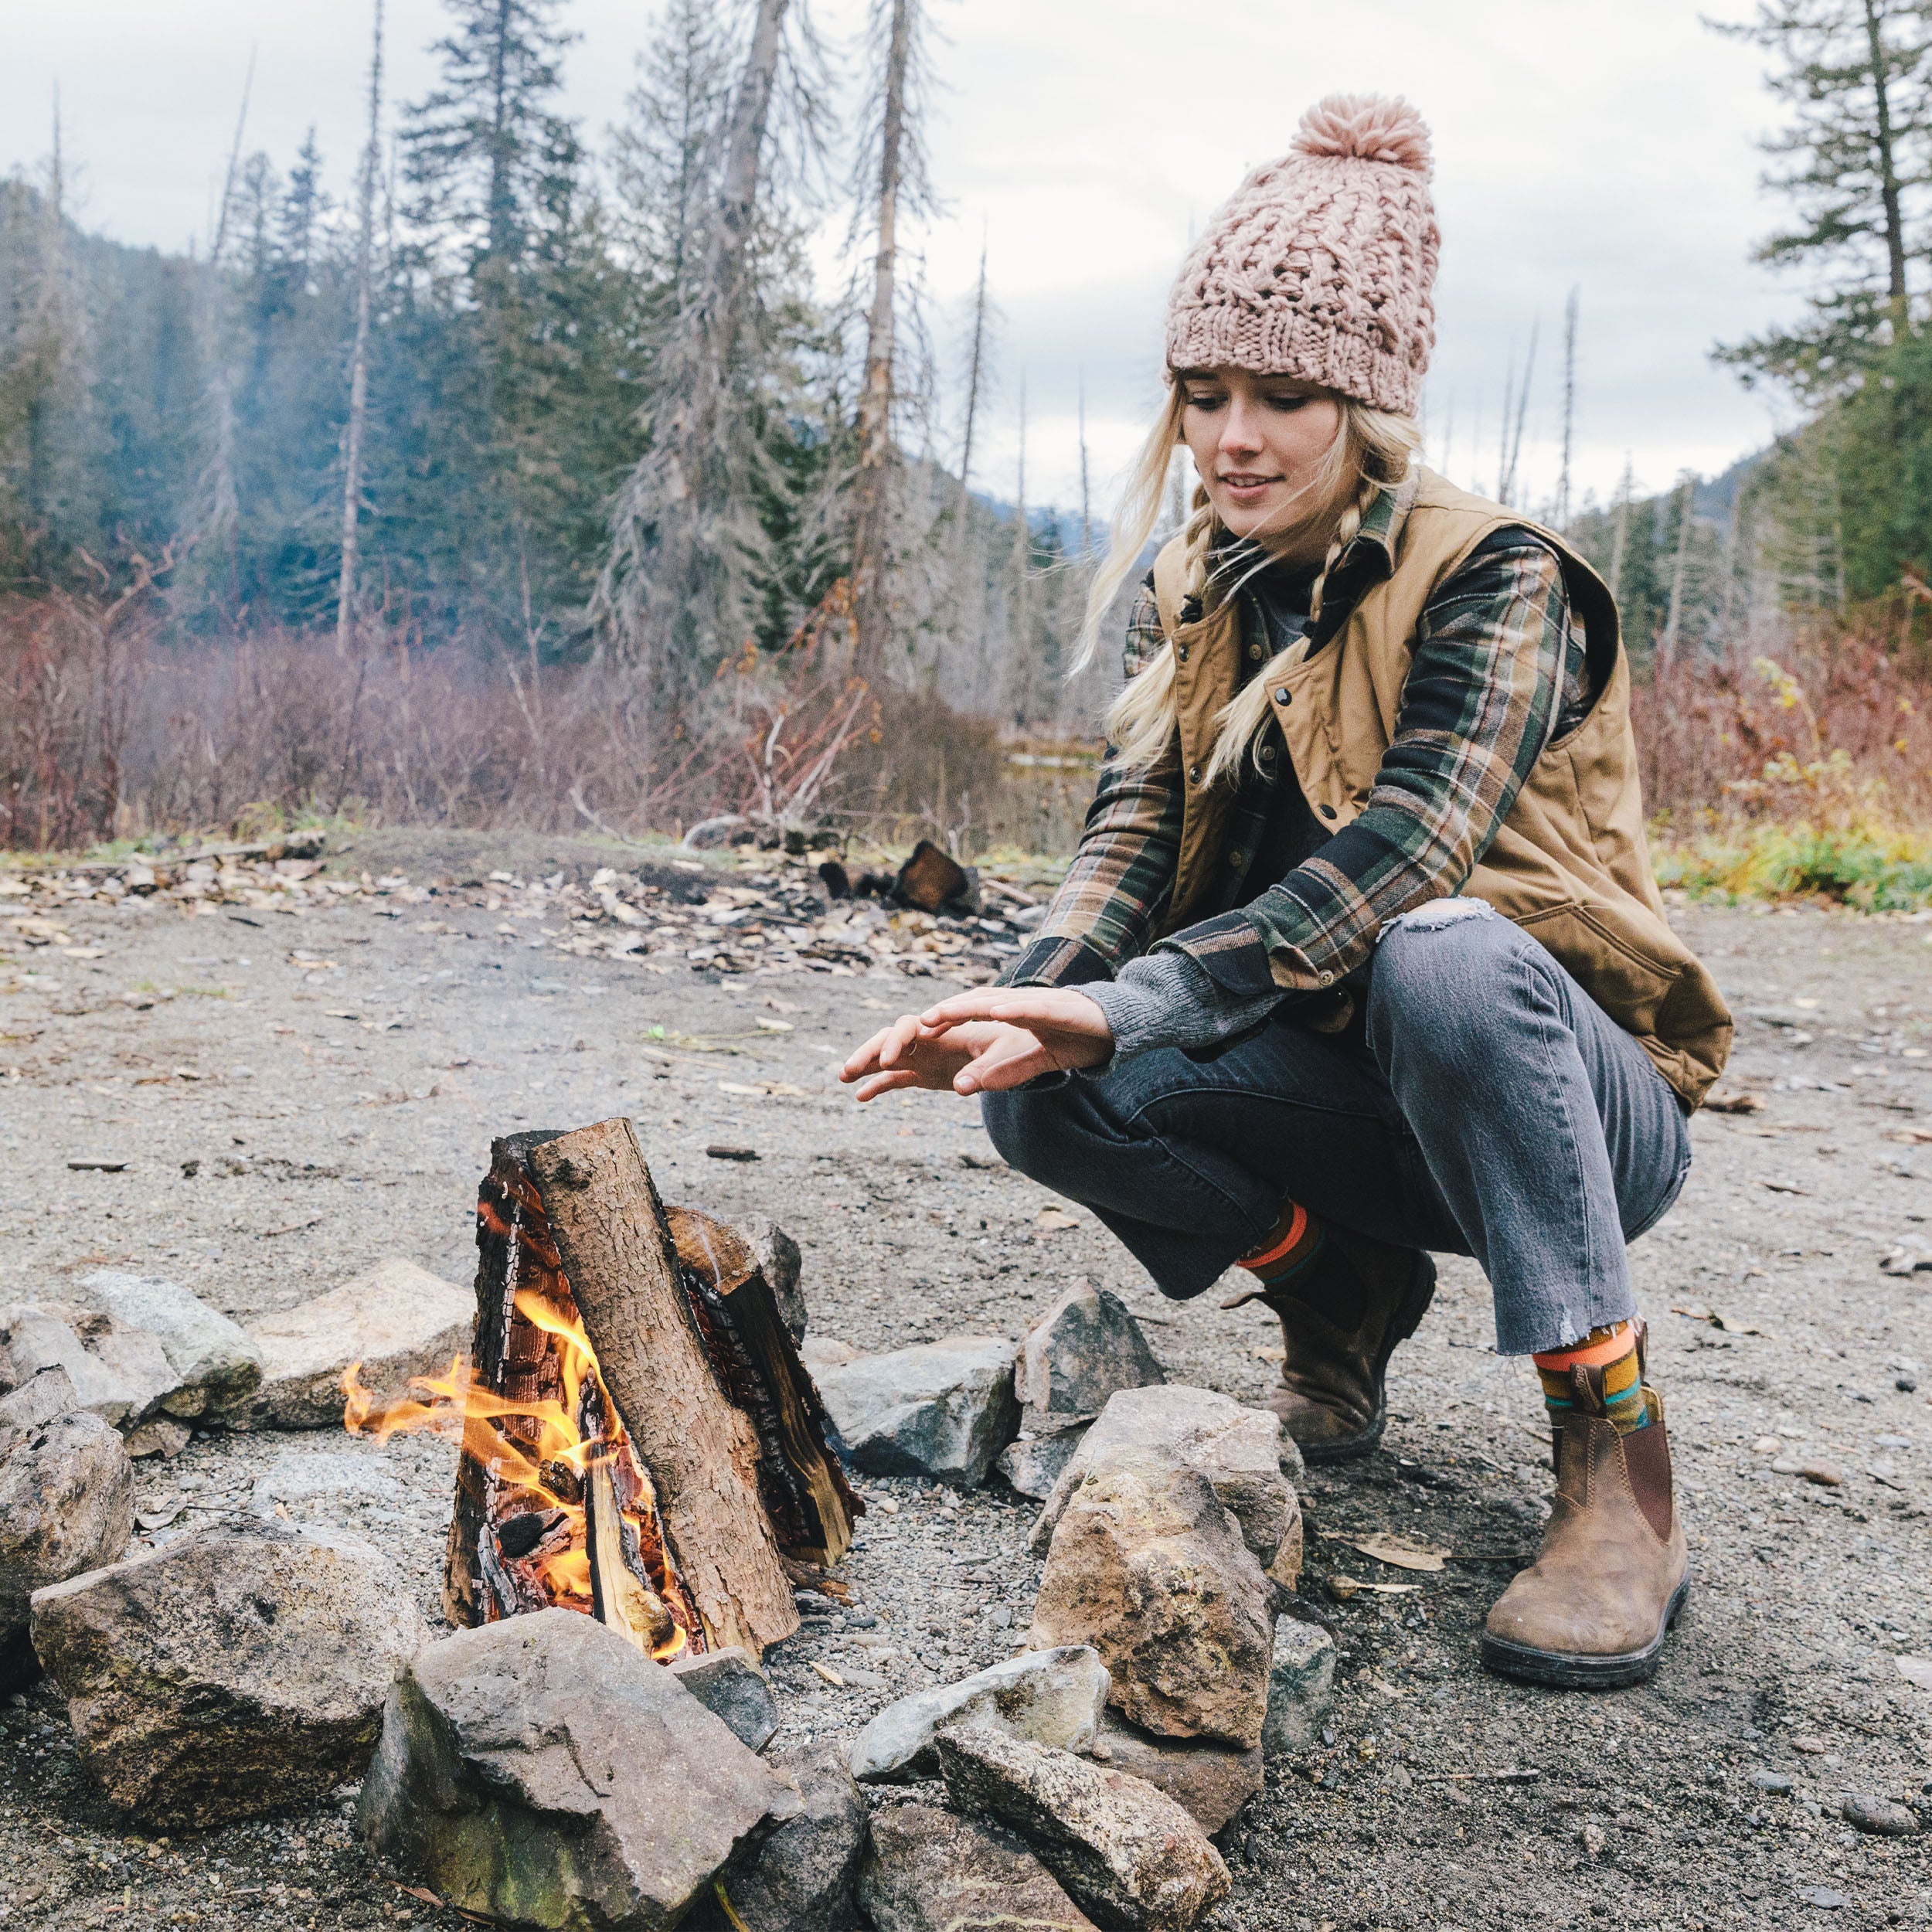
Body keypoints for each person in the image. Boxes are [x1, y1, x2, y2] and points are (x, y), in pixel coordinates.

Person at [840, 94, 1731, 1690]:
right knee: (1040, 1093)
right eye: (1201, 393)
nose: (1231, 435)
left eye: (1282, 394)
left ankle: (1613, 1458)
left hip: (1564, 1108)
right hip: (1356, 1103)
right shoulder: (1192, 586)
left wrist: (1131, 1004)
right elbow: (1124, 837)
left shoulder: (1495, 572)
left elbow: (1405, 850)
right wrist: (1033, 993)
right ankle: (1339, 1287)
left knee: (1441, 955)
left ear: (1367, 406)